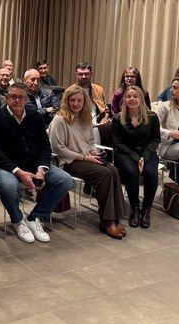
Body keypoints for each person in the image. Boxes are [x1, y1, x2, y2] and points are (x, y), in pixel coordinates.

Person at [0, 83, 73, 244]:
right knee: (9, 186)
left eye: (21, 97)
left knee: (65, 180)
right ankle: (18, 221)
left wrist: (41, 170)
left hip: (34, 164)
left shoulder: (35, 116)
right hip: (6, 167)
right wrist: (19, 172)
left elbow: (45, 147)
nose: (17, 100)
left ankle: (35, 217)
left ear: (27, 100)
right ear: (7, 98)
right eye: (13, 97)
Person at [49, 85, 125, 239]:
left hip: (87, 158)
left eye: (79, 101)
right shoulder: (59, 120)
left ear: (84, 102)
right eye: (72, 100)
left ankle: (116, 217)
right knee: (104, 174)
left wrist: (93, 151)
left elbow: (90, 141)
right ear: (66, 101)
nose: (76, 104)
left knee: (113, 170)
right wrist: (84, 157)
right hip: (69, 161)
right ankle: (107, 221)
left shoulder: (86, 118)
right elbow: (58, 148)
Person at [111, 86, 161, 228]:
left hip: (147, 152)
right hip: (125, 153)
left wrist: (144, 157)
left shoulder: (152, 117)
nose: (132, 99)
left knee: (150, 172)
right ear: (124, 100)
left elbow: (155, 140)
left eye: (135, 96)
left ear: (141, 99)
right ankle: (135, 209)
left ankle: (146, 210)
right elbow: (117, 143)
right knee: (131, 172)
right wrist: (136, 158)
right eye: (128, 96)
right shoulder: (118, 118)